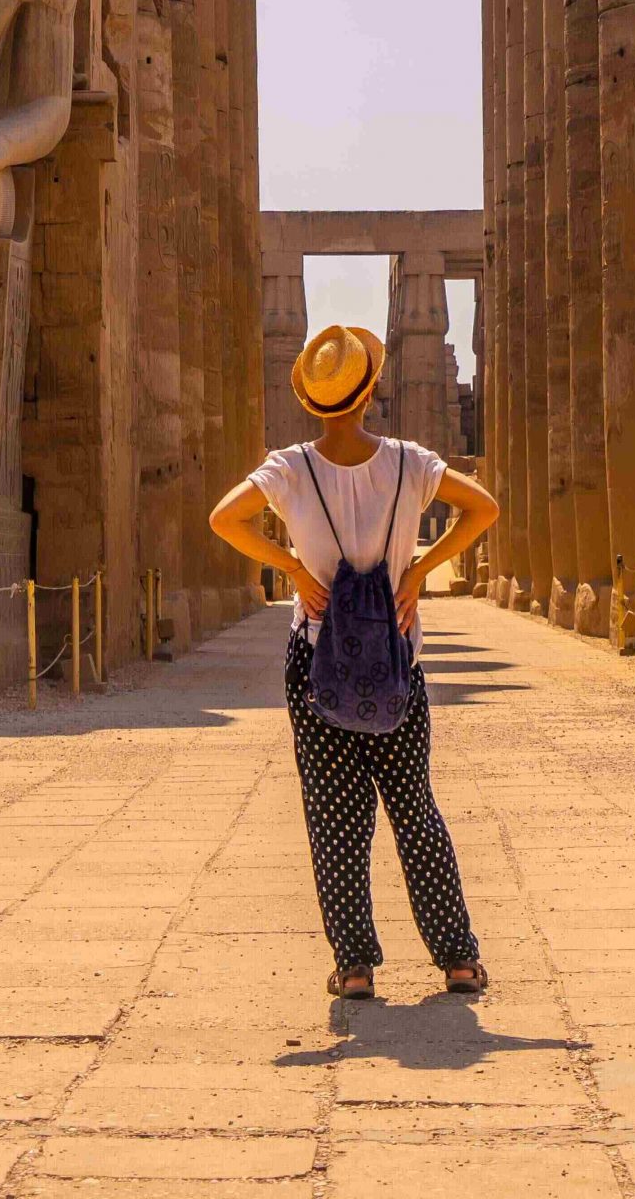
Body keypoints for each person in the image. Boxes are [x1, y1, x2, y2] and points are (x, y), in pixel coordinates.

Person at [210, 323, 499, 1001]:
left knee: (334, 814)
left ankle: (355, 965)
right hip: (398, 657)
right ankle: (456, 957)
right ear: (371, 391)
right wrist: (420, 570)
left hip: (317, 657)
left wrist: (290, 568)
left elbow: (225, 518)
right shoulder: (408, 462)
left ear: (314, 402)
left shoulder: (289, 468)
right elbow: (482, 508)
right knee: (414, 808)